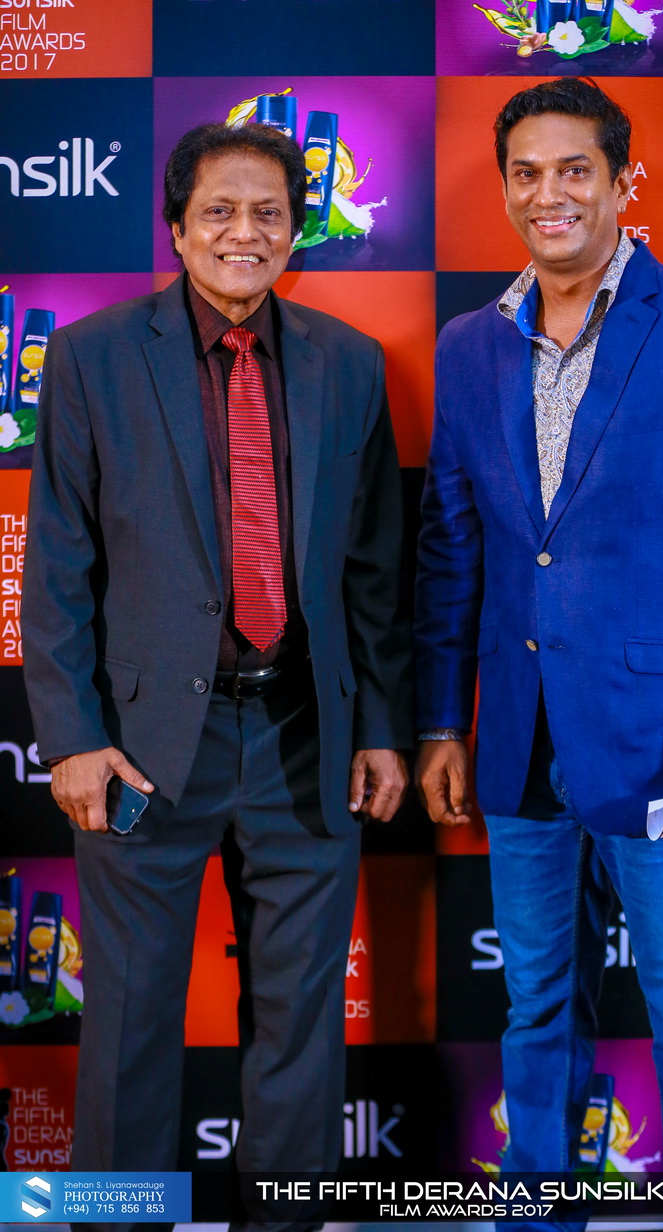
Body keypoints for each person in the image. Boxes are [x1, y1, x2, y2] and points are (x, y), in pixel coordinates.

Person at [414, 77, 663, 1229]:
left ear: (619, 182)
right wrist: (441, 719)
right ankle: (536, 1213)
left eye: (573, 169)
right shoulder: (468, 346)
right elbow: (452, 550)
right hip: (519, 739)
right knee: (536, 1004)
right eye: (526, 173)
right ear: (504, 190)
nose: (548, 194)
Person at [22, 121, 412, 1227]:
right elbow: (56, 565)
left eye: (269, 213)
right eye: (220, 212)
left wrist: (381, 727)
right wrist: (73, 739)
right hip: (141, 747)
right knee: (130, 1024)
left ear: (296, 230)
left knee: (300, 1028)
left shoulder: (348, 362)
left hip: (305, 736)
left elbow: (375, 569)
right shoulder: (94, 356)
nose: (246, 232)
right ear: (178, 227)